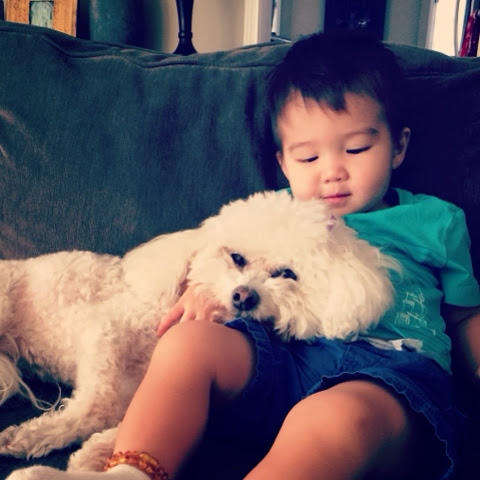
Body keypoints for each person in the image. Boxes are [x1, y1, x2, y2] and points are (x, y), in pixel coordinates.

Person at [14, 31, 480, 480]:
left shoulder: (436, 221)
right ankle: (132, 472)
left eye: (357, 148)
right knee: (186, 345)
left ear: (398, 146)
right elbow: (223, 260)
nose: (333, 172)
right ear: (283, 163)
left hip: (390, 375)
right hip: (280, 357)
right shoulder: (272, 213)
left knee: (338, 417)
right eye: (309, 158)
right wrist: (203, 290)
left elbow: (463, 318)